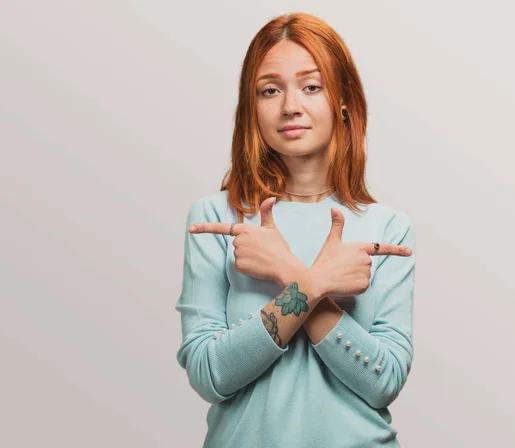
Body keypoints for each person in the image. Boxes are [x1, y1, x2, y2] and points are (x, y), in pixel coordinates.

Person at [175, 12, 416, 448]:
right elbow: (211, 375)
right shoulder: (218, 217)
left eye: (311, 86)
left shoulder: (388, 227)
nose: (290, 105)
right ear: (253, 107)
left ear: (342, 101)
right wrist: (317, 282)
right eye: (270, 90)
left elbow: (384, 382)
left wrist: (290, 273)